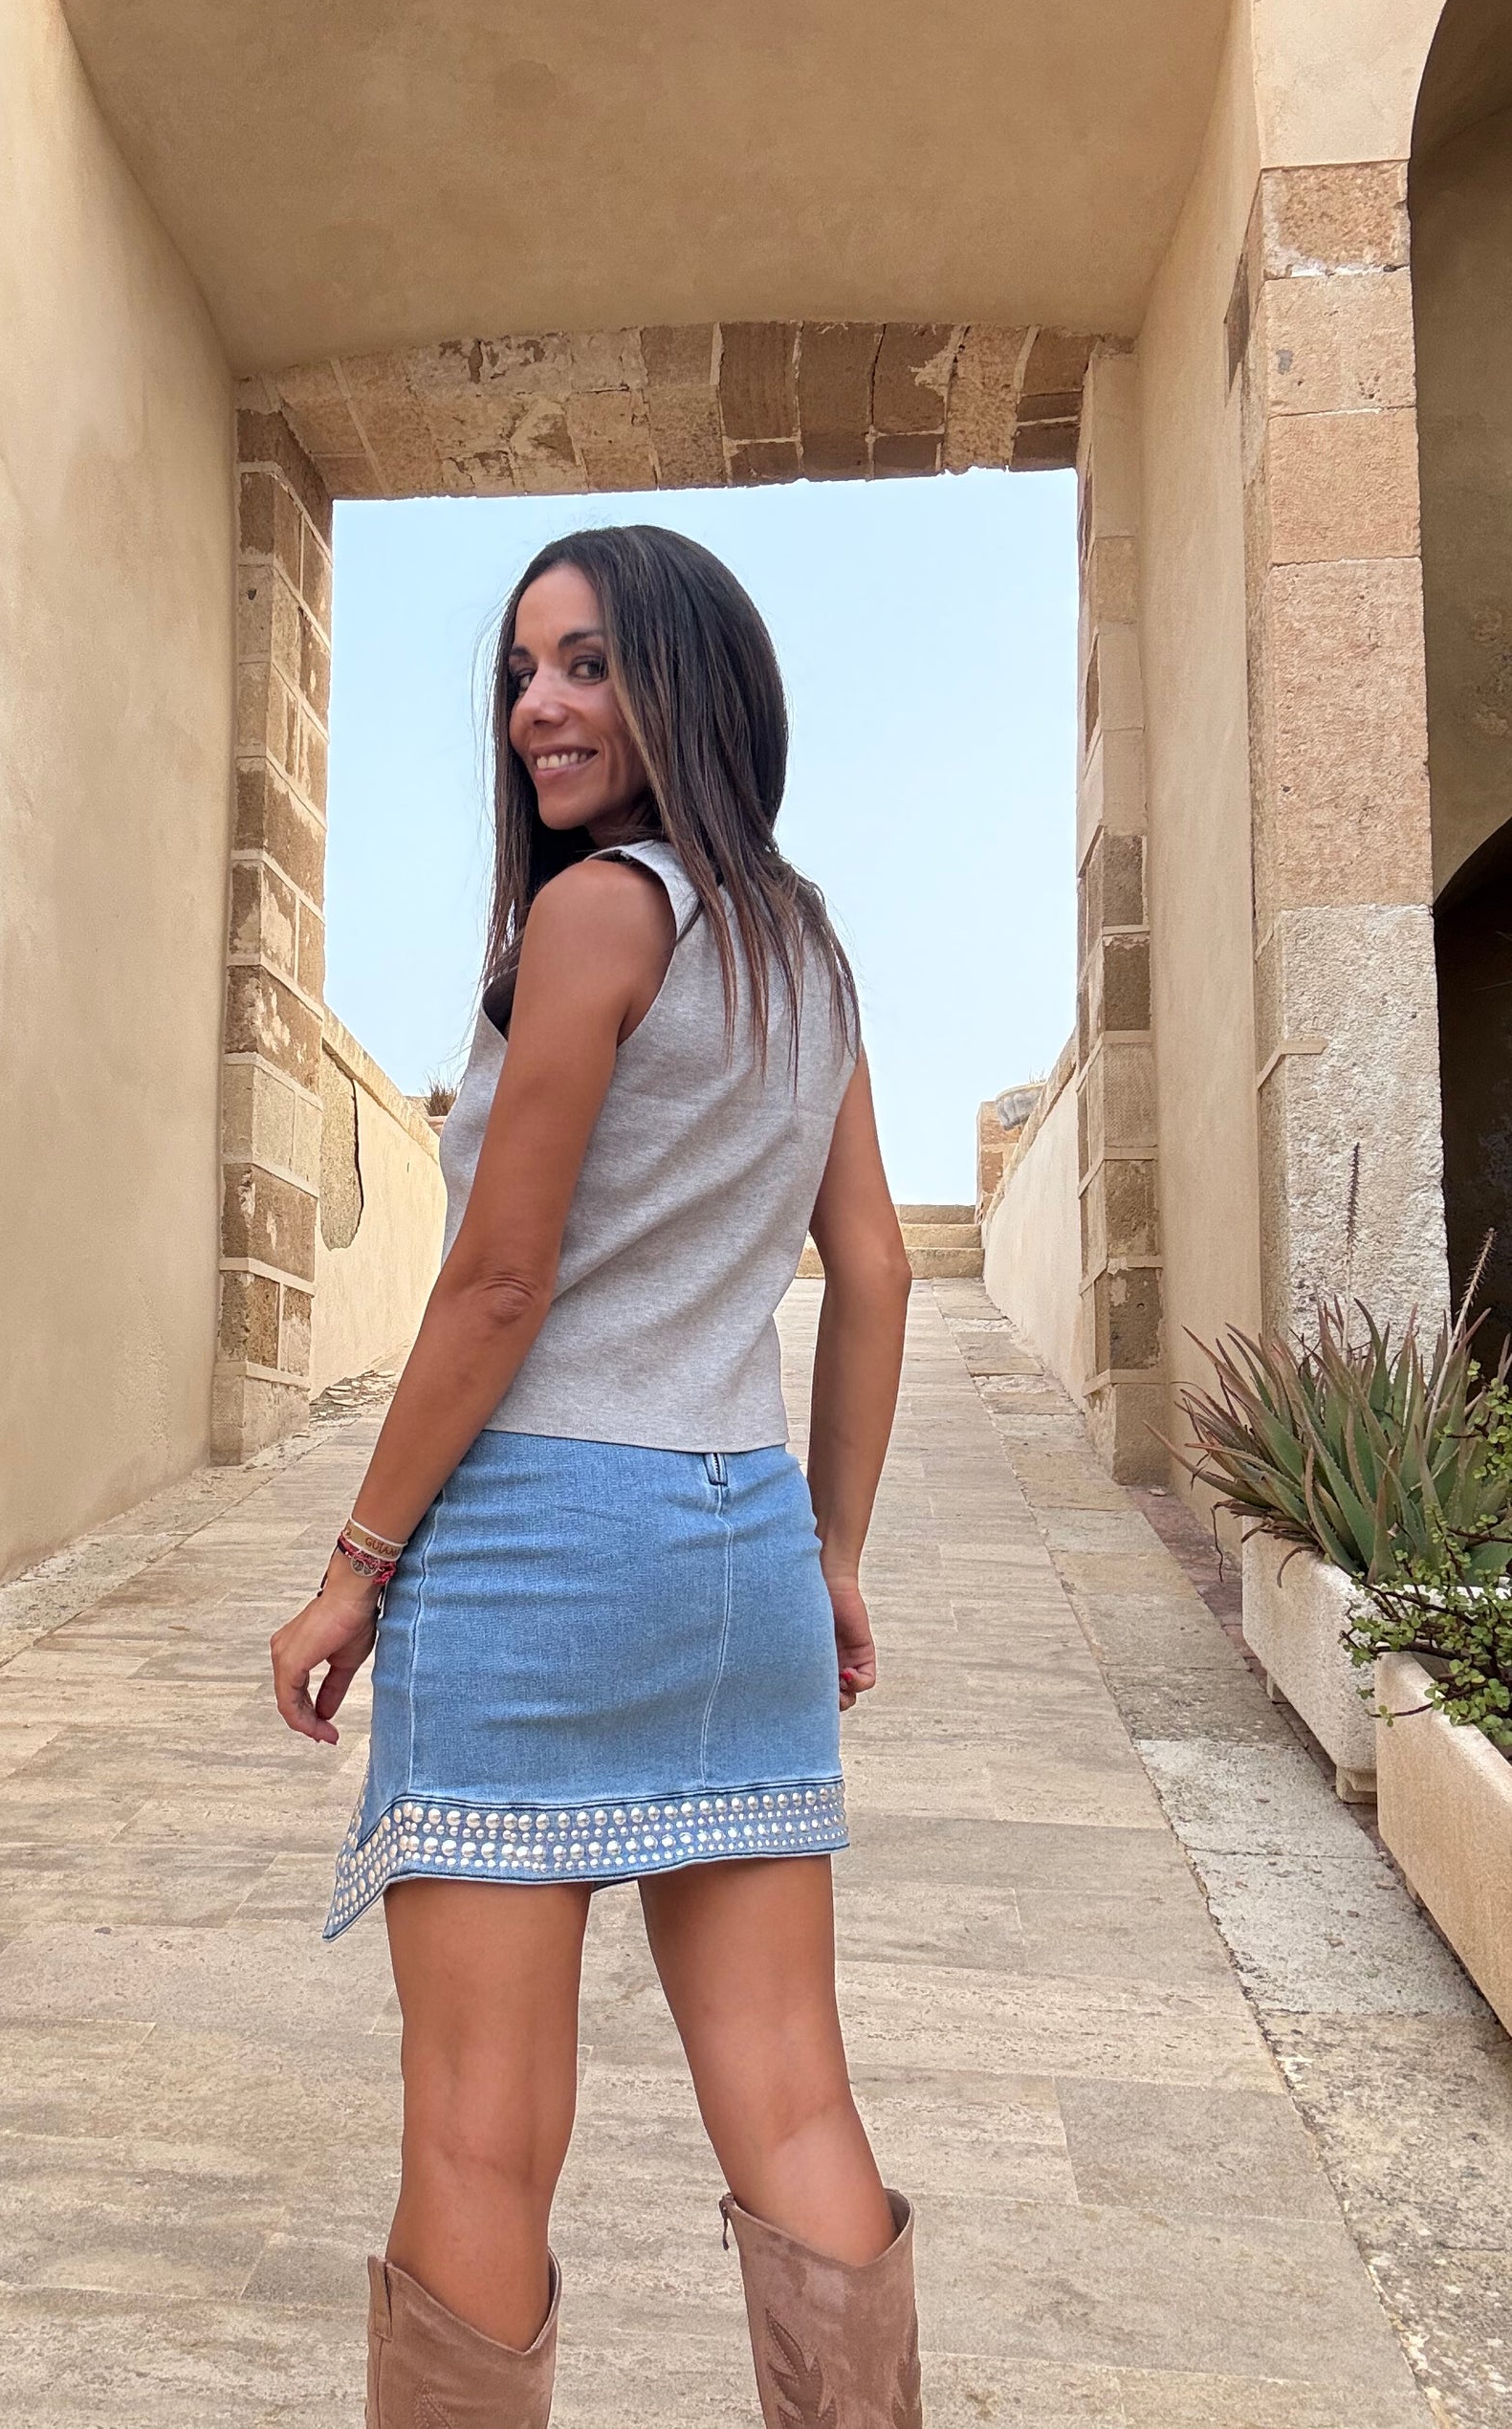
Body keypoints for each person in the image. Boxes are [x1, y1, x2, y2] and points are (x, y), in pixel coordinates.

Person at [271, 525, 918, 2429]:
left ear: (686, 681)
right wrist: (830, 1552)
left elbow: (498, 1278)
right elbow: (873, 1268)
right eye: (520, 670)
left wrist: (355, 1563)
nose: (537, 707)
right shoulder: (801, 945)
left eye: (587, 664)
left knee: (479, 2131)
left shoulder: (596, 914)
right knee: (791, 2091)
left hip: (540, 1543)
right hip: (737, 1546)